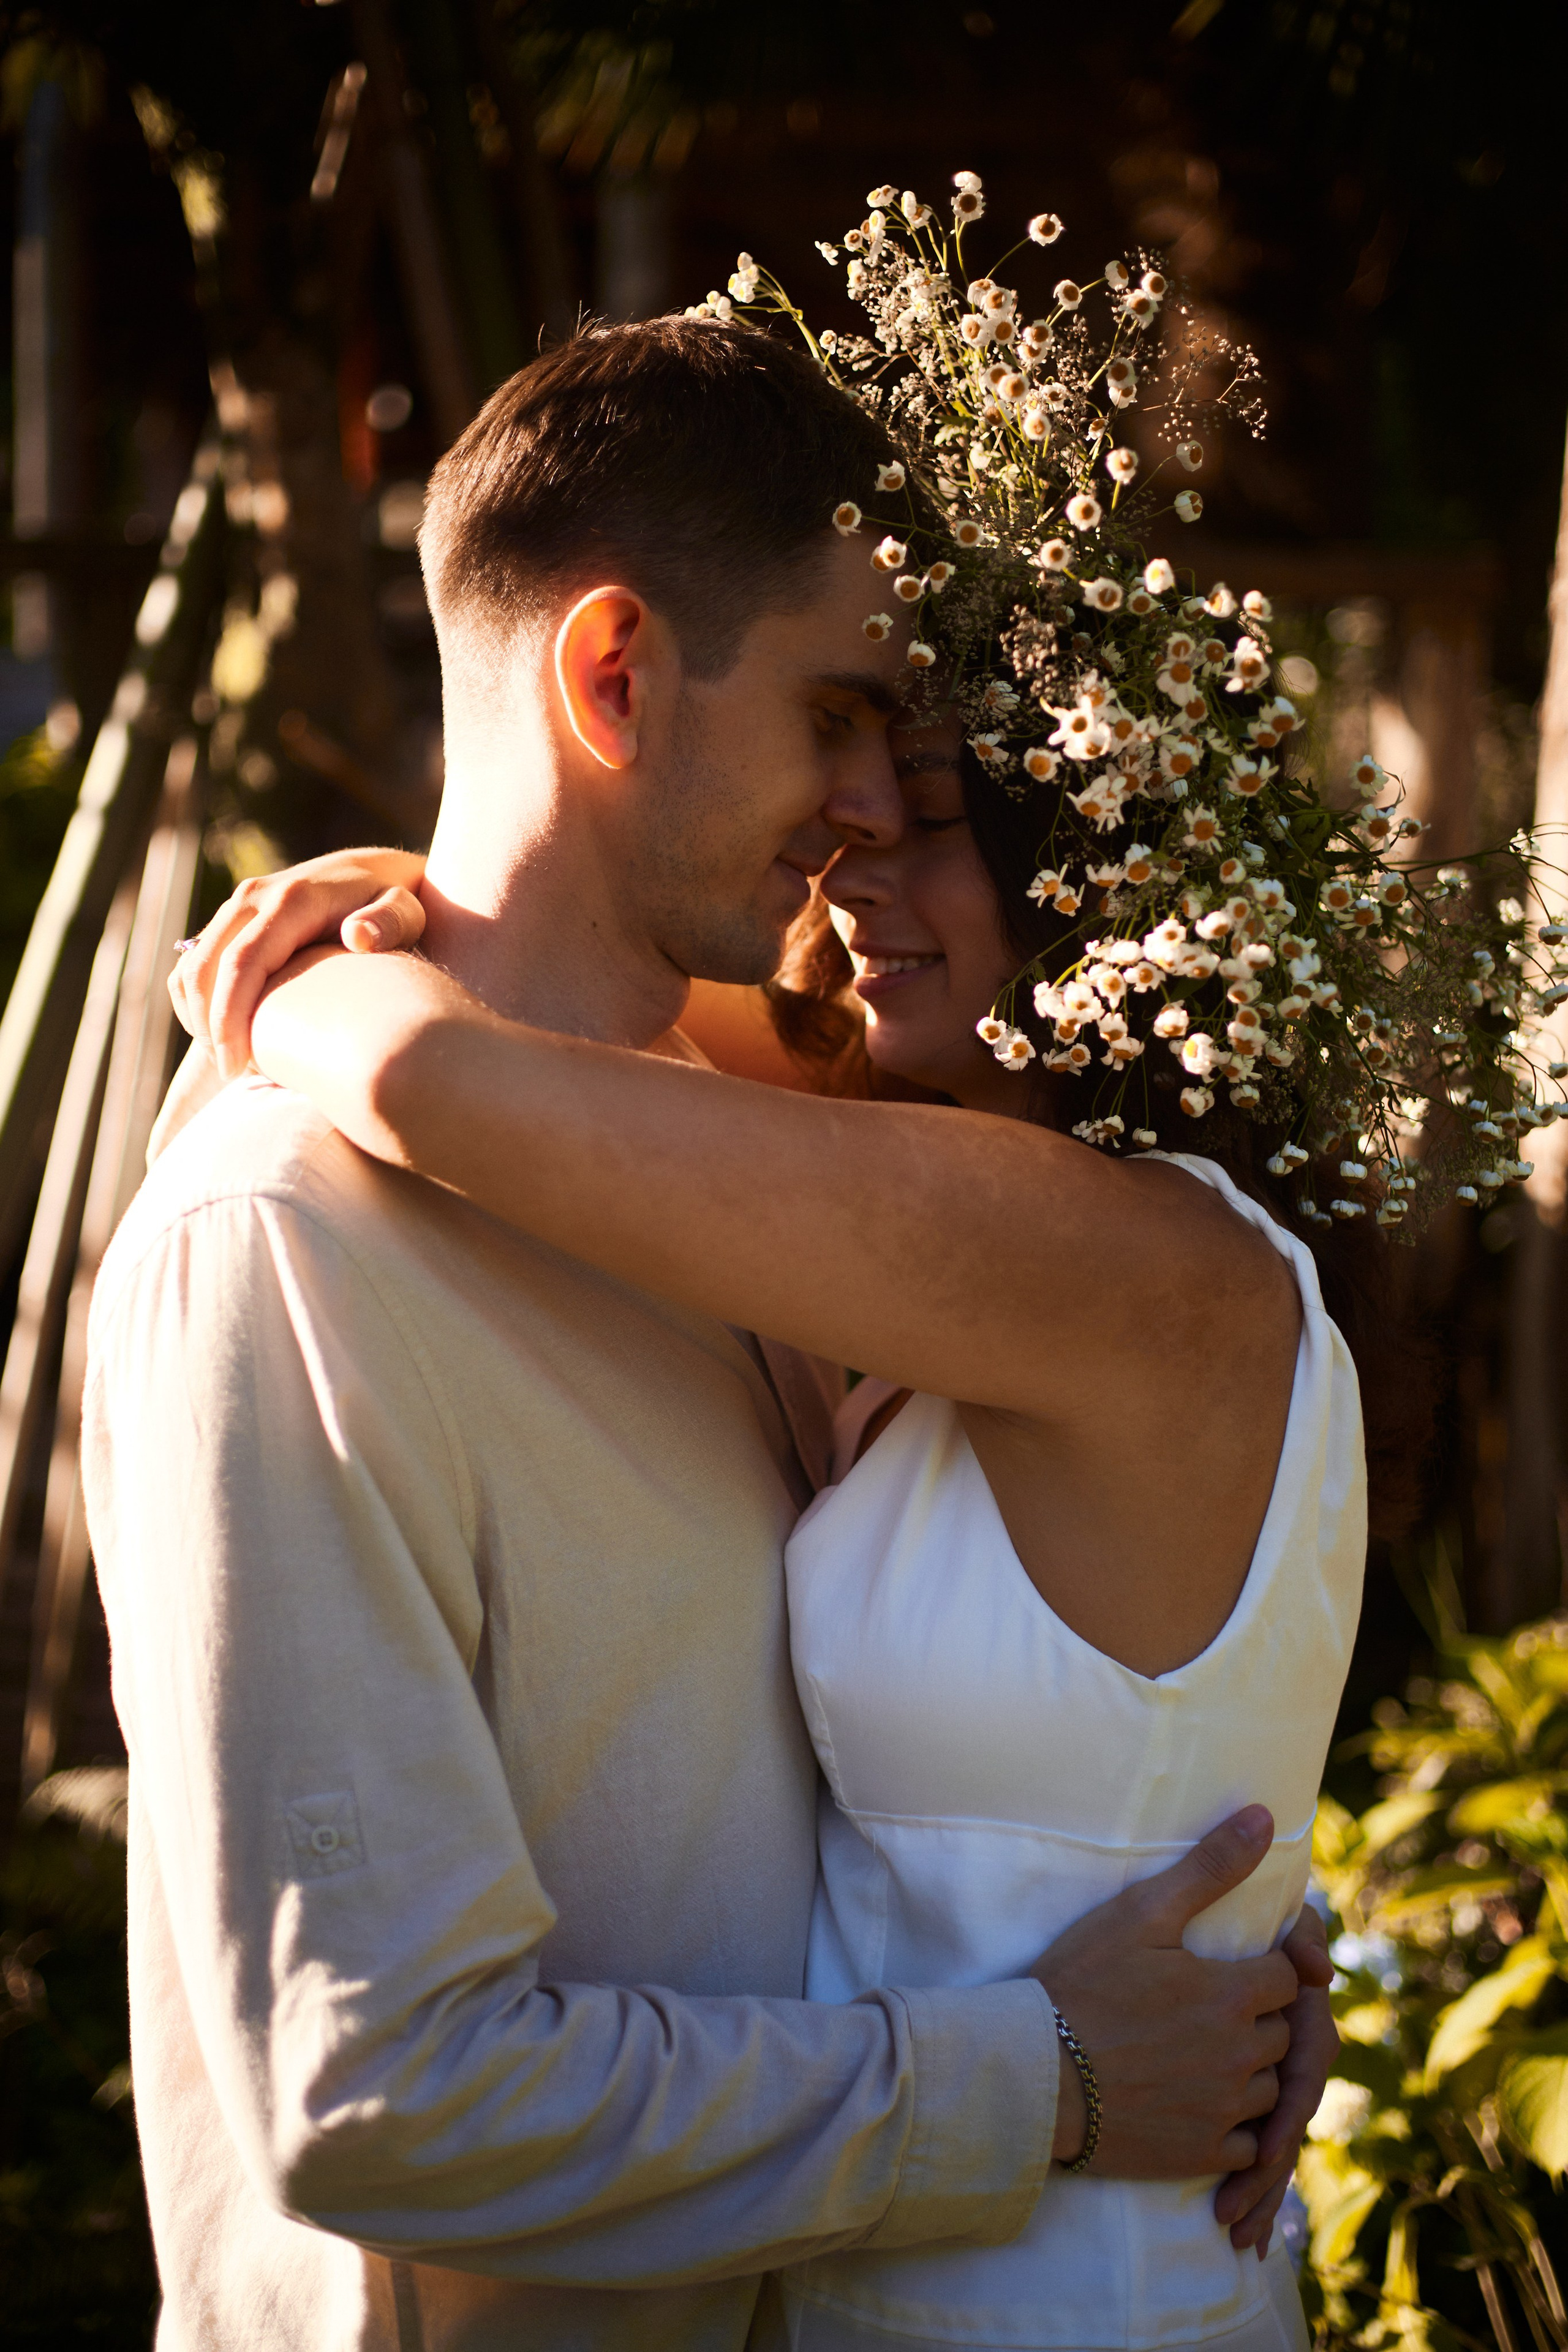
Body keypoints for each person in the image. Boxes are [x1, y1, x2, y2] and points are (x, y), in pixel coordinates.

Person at [89, 321, 1336, 2352]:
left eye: (916, 778)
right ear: (613, 678)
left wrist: (1213, 1958)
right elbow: (376, 2092)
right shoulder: (289, 1244)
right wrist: (1039, 2078)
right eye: (839, 717)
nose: (859, 817)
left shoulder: (743, 1180)